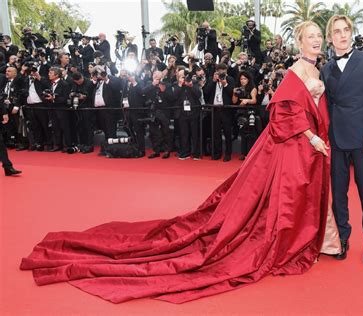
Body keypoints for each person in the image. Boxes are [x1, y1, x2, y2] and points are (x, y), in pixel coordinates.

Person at [21, 21, 341, 304]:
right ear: (300, 43)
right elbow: (283, 112)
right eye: (309, 36)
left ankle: (306, 239)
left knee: (299, 195)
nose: (315, 40)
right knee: (281, 199)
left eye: (317, 36)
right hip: (294, 146)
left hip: (307, 147)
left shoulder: (317, 70)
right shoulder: (296, 71)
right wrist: (311, 137)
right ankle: (288, 242)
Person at [321, 15, 363, 265]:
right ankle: (342, 237)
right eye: (336, 31)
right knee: (338, 193)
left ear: (351, 33)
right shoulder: (326, 68)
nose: (342, 35)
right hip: (336, 139)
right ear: (330, 37)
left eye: (345, 30)